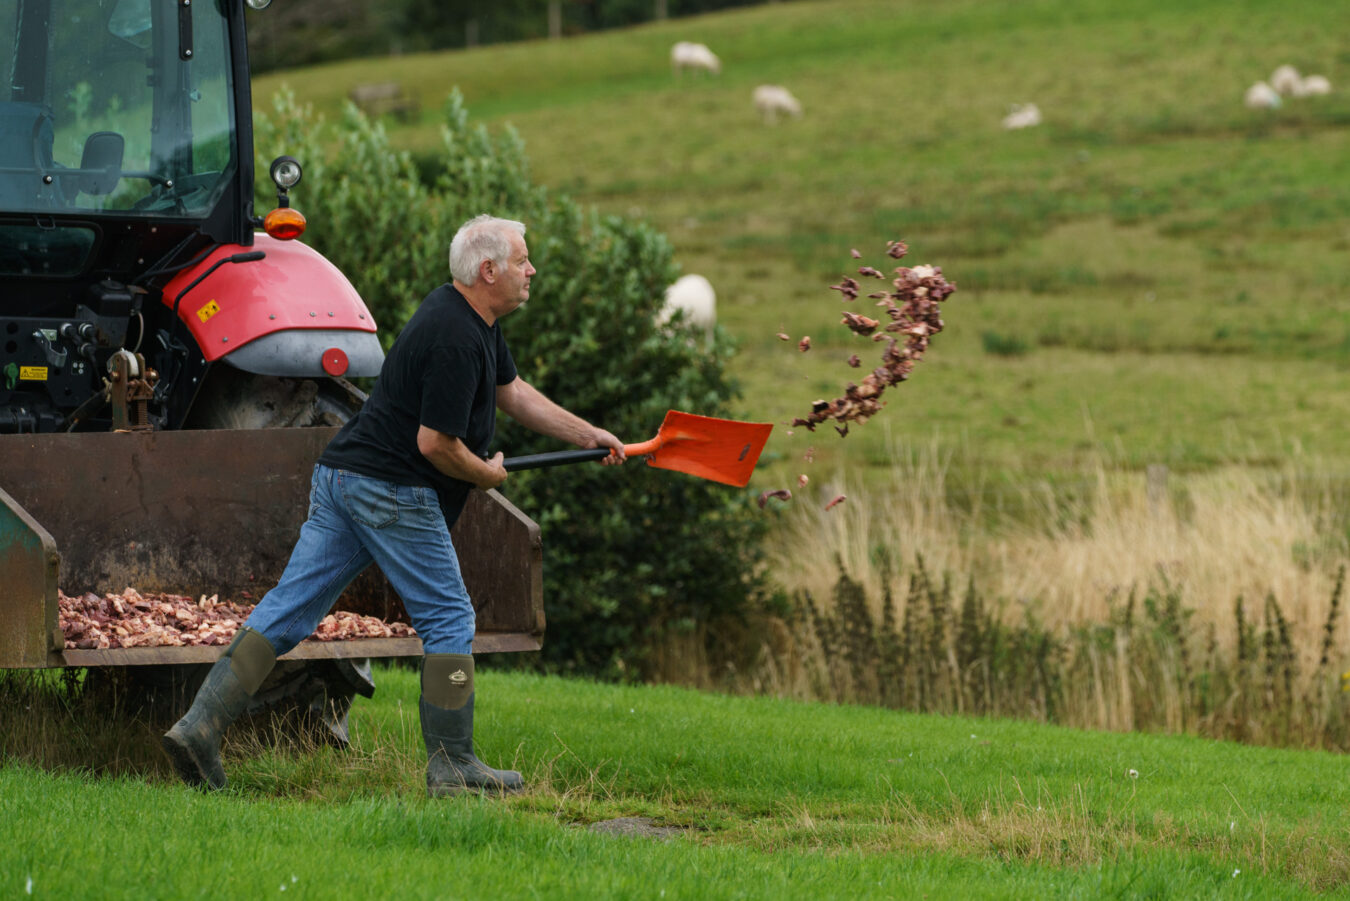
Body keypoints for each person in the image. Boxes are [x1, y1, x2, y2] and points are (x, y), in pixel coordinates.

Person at [162, 214, 626, 796]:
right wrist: (485, 473)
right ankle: (452, 765)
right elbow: (435, 445)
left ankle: (200, 725)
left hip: (343, 475)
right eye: (522, 261)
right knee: (450, 616)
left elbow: (513, 391)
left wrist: (588, 435)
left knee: (290, 611)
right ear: (488, 271)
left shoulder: (467, 315)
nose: (531, 270)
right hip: (391, 490)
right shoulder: (456, 337)